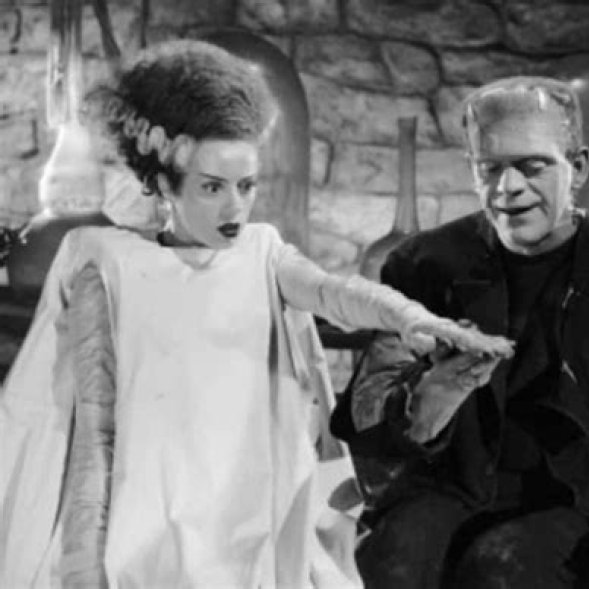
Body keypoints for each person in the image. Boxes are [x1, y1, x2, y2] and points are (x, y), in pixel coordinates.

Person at [0, 40, 514, 588]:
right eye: (212, 187)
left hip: (245, 523)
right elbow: (93, 439)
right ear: (162, 183)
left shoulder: (260, 252)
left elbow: (335, 292)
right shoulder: (110, 264)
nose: (234, 207)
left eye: (246, 186)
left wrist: (415, 319)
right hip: (147, 527)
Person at [331, 76, 589, 588]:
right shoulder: (422, 264)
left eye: (531, 166)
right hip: (453, 488)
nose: (506, 188)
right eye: (489, 168)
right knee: (391, 556)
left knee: (500, 567)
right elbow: (366, 414)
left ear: (578, 167)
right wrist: (432, 395)